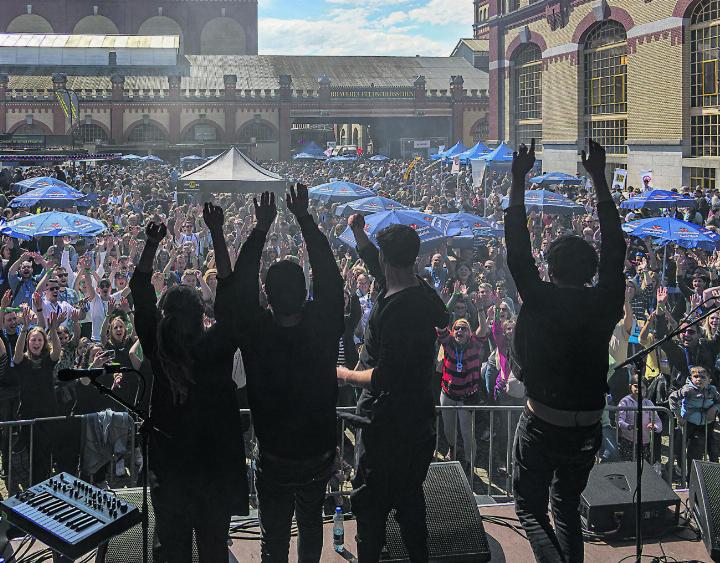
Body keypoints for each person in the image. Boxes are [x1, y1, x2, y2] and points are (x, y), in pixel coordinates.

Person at [505, 140, 626, 563]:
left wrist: (518, 179)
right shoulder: (607, 300)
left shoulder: (540, 297)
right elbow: (616, 247)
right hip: (589, 425)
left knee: (529, 506)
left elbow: (517, 249)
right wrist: (598, 177)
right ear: (590, 271)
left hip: (544, 422)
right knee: (566, 506)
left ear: (550, 270)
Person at [231, 186, 344, 563]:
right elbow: (331, 279)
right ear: (305, 291)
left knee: (273, 539)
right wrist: (305, 218)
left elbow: (241, 289)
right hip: (317, 453)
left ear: (267, 294)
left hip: (276, 455)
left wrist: (261, 229)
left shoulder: (257, 332)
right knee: (311, 527)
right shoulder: (323, 325)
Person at [129, 205, 248, 563]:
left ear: (165, 317)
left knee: (172, 550)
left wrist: (151, 244)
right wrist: (216, 231)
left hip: (172, 473)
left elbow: (139, 290)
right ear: (201, 317)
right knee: (214, 550)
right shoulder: (215, 349)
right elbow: (230, 295)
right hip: (213, 473)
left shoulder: (156, 347)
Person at [337, 213, 449, 562]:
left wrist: (344, 374)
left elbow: (385, 375)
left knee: (372, 509)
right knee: (410, 500)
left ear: (388, 261)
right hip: (418, 422)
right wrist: (360, 234)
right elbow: (443, 318)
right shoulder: (417, 290)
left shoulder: (400, 309)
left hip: (386, 424)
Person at [669, 366, 720, 473]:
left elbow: (718, 401)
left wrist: (715, 408)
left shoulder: (712, 390)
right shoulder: (688, 389)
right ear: (691, 378)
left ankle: (706, 473)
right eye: (696, 376)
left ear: (709, 380)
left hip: (706, 424)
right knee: (679, 446)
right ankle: (678, 469)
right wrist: (679, 417)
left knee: (705, 449)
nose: (699, 379)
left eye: (702, 377)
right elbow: (672, 398)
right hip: (688, 422)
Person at [616, 372, 662, 463]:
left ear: (646, 389)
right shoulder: (625, 402)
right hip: (628, 442)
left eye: (641, 387)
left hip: (644, 443)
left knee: (643, 469)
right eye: (636, 386)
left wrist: (655, 426)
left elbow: (658, 422)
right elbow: (619, 420)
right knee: (628, 468)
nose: (638, 390)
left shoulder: (648, 403)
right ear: (630, 387)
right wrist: (628, 426)